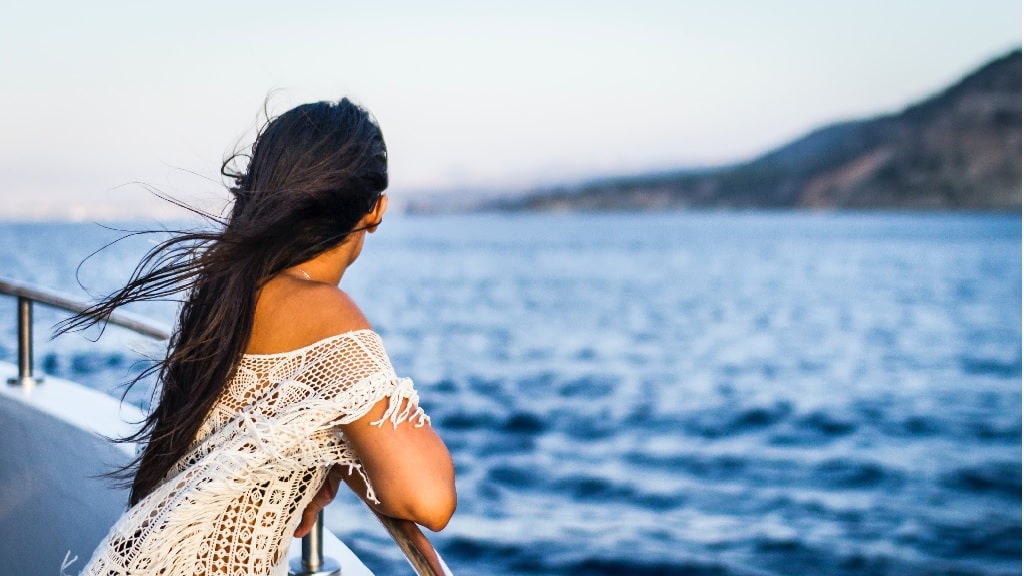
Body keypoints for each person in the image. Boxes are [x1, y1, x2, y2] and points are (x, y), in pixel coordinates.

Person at [62, 98, 456, 575]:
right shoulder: (323, 312)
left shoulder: (228, 288)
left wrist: (333, 449)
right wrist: (349, 443)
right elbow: (428, 500)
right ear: (376, 210)